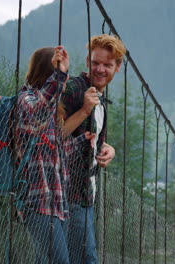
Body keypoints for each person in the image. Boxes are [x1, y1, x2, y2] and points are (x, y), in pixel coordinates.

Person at [16, 46, 94, 264]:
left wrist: (82, 142)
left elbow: (55, 152)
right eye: (59, 73)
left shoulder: (52, 114)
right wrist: (60, 75)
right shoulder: (25, 99)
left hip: (58, 204)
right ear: (49, 72)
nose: (64, 81)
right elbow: (37, 112)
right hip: (37, 202)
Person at [61, 34, 126, 264]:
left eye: (107, 65)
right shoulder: (72, 90)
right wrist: (83, 111)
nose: (100, 69)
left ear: (117, 67)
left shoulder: (99, 101)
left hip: (87, 196)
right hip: (67, 196)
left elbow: (91, 140)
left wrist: (108, 149)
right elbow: (49, 137)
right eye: (96, 62)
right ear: (87, 61)